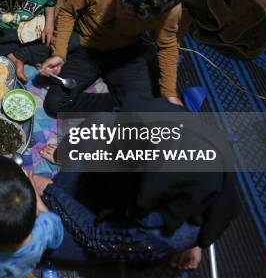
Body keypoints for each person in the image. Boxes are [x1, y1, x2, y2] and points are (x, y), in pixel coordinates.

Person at [35, 94, 240, 270]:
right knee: (101, 122)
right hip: (132, 186)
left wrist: (50, 190)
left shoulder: (162, 233)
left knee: (40, 241)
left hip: (122, 227)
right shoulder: (187, 131)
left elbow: (95, 238)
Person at [39, 0, 189, 117]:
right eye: (123, 6)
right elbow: (67, 13)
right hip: (86, 47)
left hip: (127, 53)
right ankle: (122, 104)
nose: (123, 15)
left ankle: (124, 104)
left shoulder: (169, 8)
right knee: (55, 104)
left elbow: (167, 46)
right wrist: (59, 53)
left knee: (147, 110)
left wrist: (169, 93)